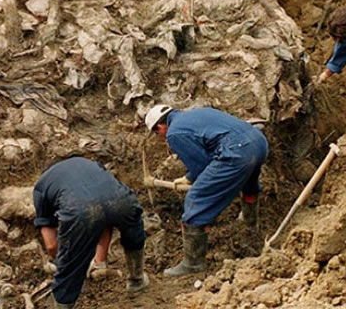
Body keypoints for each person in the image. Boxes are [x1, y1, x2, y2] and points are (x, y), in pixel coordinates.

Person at [145, 105, 268, 277]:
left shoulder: (174, 133)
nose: (162, 136)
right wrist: (190, 176)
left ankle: (193, 264)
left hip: (238, 152)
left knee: (195, 198)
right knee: (249, 184)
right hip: (259, 142)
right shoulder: (197, 113)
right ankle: (250, 225)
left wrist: (192, 178)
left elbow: (202, 165)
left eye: (158, 134)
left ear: (159, 127)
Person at [33, 156, 149, 308]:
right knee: (132, 230)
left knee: (69, 268)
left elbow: (51, 244)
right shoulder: (90, 165)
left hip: (80, 210)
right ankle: (137, 280)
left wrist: (65, 265)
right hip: (121, 199)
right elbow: (103, 214)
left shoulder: (42, 187)